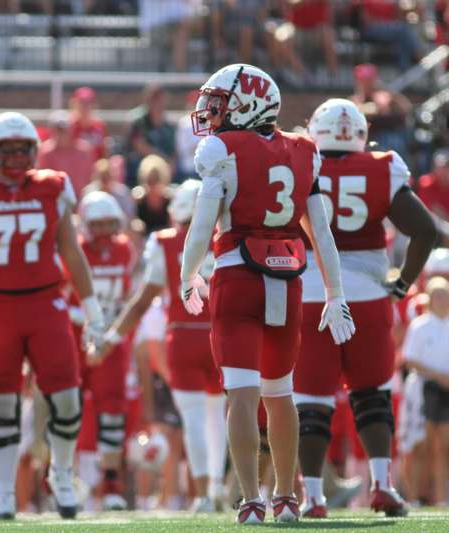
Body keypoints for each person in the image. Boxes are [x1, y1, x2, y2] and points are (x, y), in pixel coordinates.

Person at [179, 64, 355, 524]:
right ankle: (286, 497)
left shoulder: (221, 149)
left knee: (241, 394)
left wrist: (187, 274)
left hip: (238, 275)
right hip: (289, 278)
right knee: (281, 394)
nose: (211, 113)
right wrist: (336, 293)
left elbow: (202, 226)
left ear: (246, 104)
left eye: (219, 103)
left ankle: (251, 500)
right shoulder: (303, 150)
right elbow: (322, 233)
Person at [0, 111, 106, 520]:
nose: (16, 157)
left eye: (23, 148)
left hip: (45, 302)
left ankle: (62, 476)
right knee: (0, 403)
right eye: (7, 149)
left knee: (67, 397)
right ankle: (2, 494)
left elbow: (72, 252)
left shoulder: (54, 186)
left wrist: (93, 312)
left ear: (35, 150)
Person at [295, 99, 436, 518]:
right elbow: (425, 230)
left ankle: (314, 496)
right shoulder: (382, 166)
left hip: (310, 293)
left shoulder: (299, 162)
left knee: (311, 399)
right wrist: (404, 282)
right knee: (373, 393)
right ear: (360, 132)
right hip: (369, 296)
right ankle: (381, 485)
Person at [97, 179, 228, 513]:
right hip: (223, 336)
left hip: (183, 335)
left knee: (195, 420)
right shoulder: (226, 239)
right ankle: (214, 487)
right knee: (218, 417)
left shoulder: (165, 242)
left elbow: (143, 300)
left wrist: (112, 336)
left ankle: (201, 495)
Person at [68, 191, 134, 510]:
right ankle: (74, 482)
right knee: (71, 410)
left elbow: (126, 296)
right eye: (100, 224)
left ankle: (110, 485)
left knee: (112, 414)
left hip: (110, 340)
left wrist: (110, 333)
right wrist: (89, 326)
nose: (106, 231)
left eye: (111, 223)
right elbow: (64, 299)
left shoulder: (124, 249)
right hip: (77, 337)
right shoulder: (75, 250)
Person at [402, 277, 449, 505]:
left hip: (448, 392)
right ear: (430, 299)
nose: (443, 300)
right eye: (438, 295)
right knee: (420, 445)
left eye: (447, 295)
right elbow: (410, 361)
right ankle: (415, 497)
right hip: (424, 390)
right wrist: (438, 376)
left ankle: (442, 498)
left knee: (442, 448)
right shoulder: (420, 325)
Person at [350, 64, 412, 161]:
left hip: (385, 140)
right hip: (364, 141)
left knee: (394, 140)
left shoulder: (384, 96)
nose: (367, 84)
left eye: (370, 80)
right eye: (363, 80)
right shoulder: (354, 100)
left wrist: (390, 94)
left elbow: (407, 108)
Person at [37, 111, 96, 195]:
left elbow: (92, 177)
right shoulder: (45, 152)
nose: (61, 134)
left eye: (63, 129)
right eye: (57, 129)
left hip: (82, 201)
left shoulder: (84, 150)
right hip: (55, 201)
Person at [415, 148, 449, 229]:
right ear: (435, 167)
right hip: (434, 232)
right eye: (444, 166)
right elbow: (430, 214)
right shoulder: (427, 184)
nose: (447, 170)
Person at [69, 87, 108, 162]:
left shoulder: (99, 126)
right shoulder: (69, 126)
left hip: (95, 167)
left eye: (88, 103)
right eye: (81, 102)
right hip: (75, 165)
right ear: (74, 104)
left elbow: (103, 153)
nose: (85, 106)